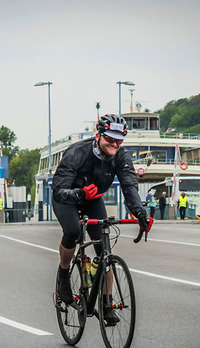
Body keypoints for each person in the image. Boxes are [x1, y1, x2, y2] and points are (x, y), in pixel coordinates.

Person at [52, 114, 150, 326]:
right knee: (73, 232)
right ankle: (63, 274)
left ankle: (107, 303)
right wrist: (79, 194)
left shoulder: (121, 156)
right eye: (110, 139)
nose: (115, 144)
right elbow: (58, 191)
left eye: (119, 140)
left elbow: (129, 185)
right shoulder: (77, 152)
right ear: (99, 136)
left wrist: (140, 213)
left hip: (93, 199)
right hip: (69, 198)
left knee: (104, 248)